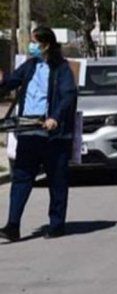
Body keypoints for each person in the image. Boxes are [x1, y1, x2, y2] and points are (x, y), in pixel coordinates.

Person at [0, 27, 77, 242]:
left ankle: (56, 224)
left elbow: (67, 96)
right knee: (21, 178)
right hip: (28, 129)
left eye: (35, 42)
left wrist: (55, 118)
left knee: (57, 180)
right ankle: (12, 225)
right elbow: (11, 83)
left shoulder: (62, 69)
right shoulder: (30, 66)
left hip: (52, 133)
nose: (32, 46)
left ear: (47, 44)